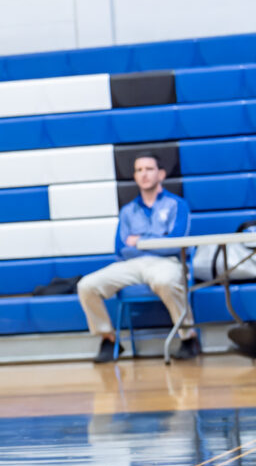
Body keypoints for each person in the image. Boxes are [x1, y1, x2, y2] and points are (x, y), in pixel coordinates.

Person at [77, 154, 199, 363]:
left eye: (149, 169)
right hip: (131, 264)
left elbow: (176, 243)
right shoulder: (127, 211)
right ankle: (109, 338)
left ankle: (189, 338)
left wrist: (141, 241)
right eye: (139, 170)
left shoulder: (177, 205)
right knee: (86, 286)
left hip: (167, 263)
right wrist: (158, 241)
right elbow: (121, 248)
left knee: (166, 281)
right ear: (134, 176)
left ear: (160, 174)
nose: (144, 174)